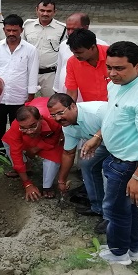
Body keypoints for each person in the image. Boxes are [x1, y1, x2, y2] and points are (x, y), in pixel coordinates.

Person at [91, 41, 138, 265]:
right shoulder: (118, 83)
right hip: (118, 159)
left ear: (137, 66)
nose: (112, 73)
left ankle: (118, 254)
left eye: (119, 68)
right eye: (109, 67)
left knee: (115, 210)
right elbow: (113, 115)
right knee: (128, 208)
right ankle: (133, 250)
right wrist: (99, 136)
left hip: (131, 164)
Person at [47, 93, 110, 233]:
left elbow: (116, 121)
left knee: (109, 173)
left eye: (60, 113)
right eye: (53, 115)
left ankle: (111, 217)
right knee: (86, 163)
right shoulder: (67, 125)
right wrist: (61, 180)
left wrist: (97, 136)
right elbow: (68, 153)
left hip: (121, 143)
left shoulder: (97, 111)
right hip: (102, 144)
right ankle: (97, 207)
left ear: (73, 106)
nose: (57, 118)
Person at [0, 14, 39, 149]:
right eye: (8, 30)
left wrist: (30, 96)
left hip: (19, 97)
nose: (11, 33)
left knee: (19, 127)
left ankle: (18, 152)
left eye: (15, 30)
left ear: (21, 30)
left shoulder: (30, 50)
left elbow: (32, 73)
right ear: (4, 30)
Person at [1, 104, 63, 200]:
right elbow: (16, 153)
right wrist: (27, 184)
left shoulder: (54, 120)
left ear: (40, 119)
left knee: (54, 155)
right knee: (7, 140)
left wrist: (36, 148)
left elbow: (55, 139)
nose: (29, 131)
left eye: (33, 126)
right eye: (24, 128)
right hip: (29, 138)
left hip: (48, 138)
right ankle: (25, 167)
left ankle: (47, 186)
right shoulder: (16, 126)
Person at [53, 13, 108, 97]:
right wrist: (56, 88)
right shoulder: (64, 46)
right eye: (68, 29)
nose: (70, 32)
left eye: (74, 29)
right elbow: (60, 68)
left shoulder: (107, 51)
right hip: (71, 94)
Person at [22, 0, 66, 97]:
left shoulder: (62, 28)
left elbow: (65, 51)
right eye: (42, 10)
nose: (45, 14)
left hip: (50, 75)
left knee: (51, 102)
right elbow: (22, 46)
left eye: (49, 11)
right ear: (36, 10)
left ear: (54, 12)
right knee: (24, 101)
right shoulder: (27, 25)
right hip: (28, 73)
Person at [65, 29, 110, 102]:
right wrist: (69, 107)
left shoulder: (112, 55)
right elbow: (71, 93)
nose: (76, 56)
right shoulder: (72, 62)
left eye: (80, 52)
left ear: (93, 47)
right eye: (73, 53)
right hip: (90, 107)